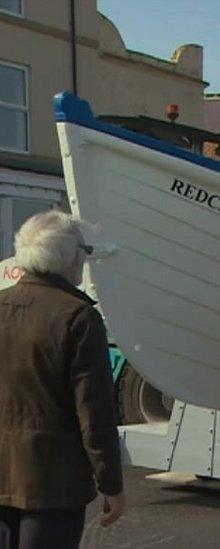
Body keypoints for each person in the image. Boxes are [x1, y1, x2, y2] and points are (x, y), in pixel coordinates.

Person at [0, 212, 125, 549]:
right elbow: (94, 412)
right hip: (53, 485)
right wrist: (111, 483)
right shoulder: (77, 317)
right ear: (71, 259)